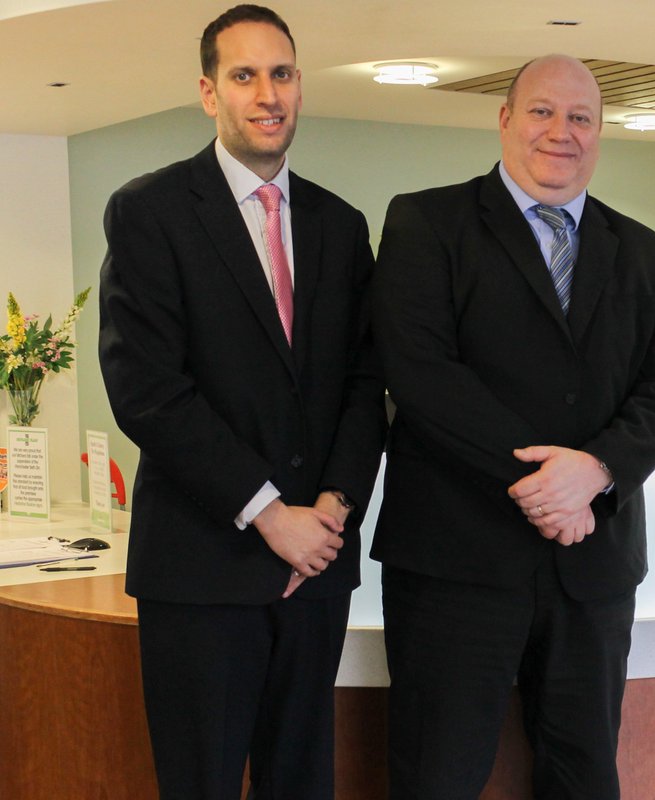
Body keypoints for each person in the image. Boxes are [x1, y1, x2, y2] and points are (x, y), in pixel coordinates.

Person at [369, 53, 655, 799]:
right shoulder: (427, 222)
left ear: (600, 132)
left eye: (581, 117)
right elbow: (419, 373)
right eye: (543, 111)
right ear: (505, 119)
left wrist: (598, 471)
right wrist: (548, 484)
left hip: (593, 569)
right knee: (437, 778)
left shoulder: (642, 250)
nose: (561, 131)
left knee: (584, 779)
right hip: (457, 566)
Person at [97, 5, 385, 798]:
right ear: (208, 92)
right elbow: (148, 391)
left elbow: (366, 385)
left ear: (300, 86)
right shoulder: (150, 212)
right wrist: (269, 515)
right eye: (245, 75)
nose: (268, 94)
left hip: (316, 569)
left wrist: (330, 513)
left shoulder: (340, 225)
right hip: (203, 570)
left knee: (303, 782)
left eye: (282, 74)